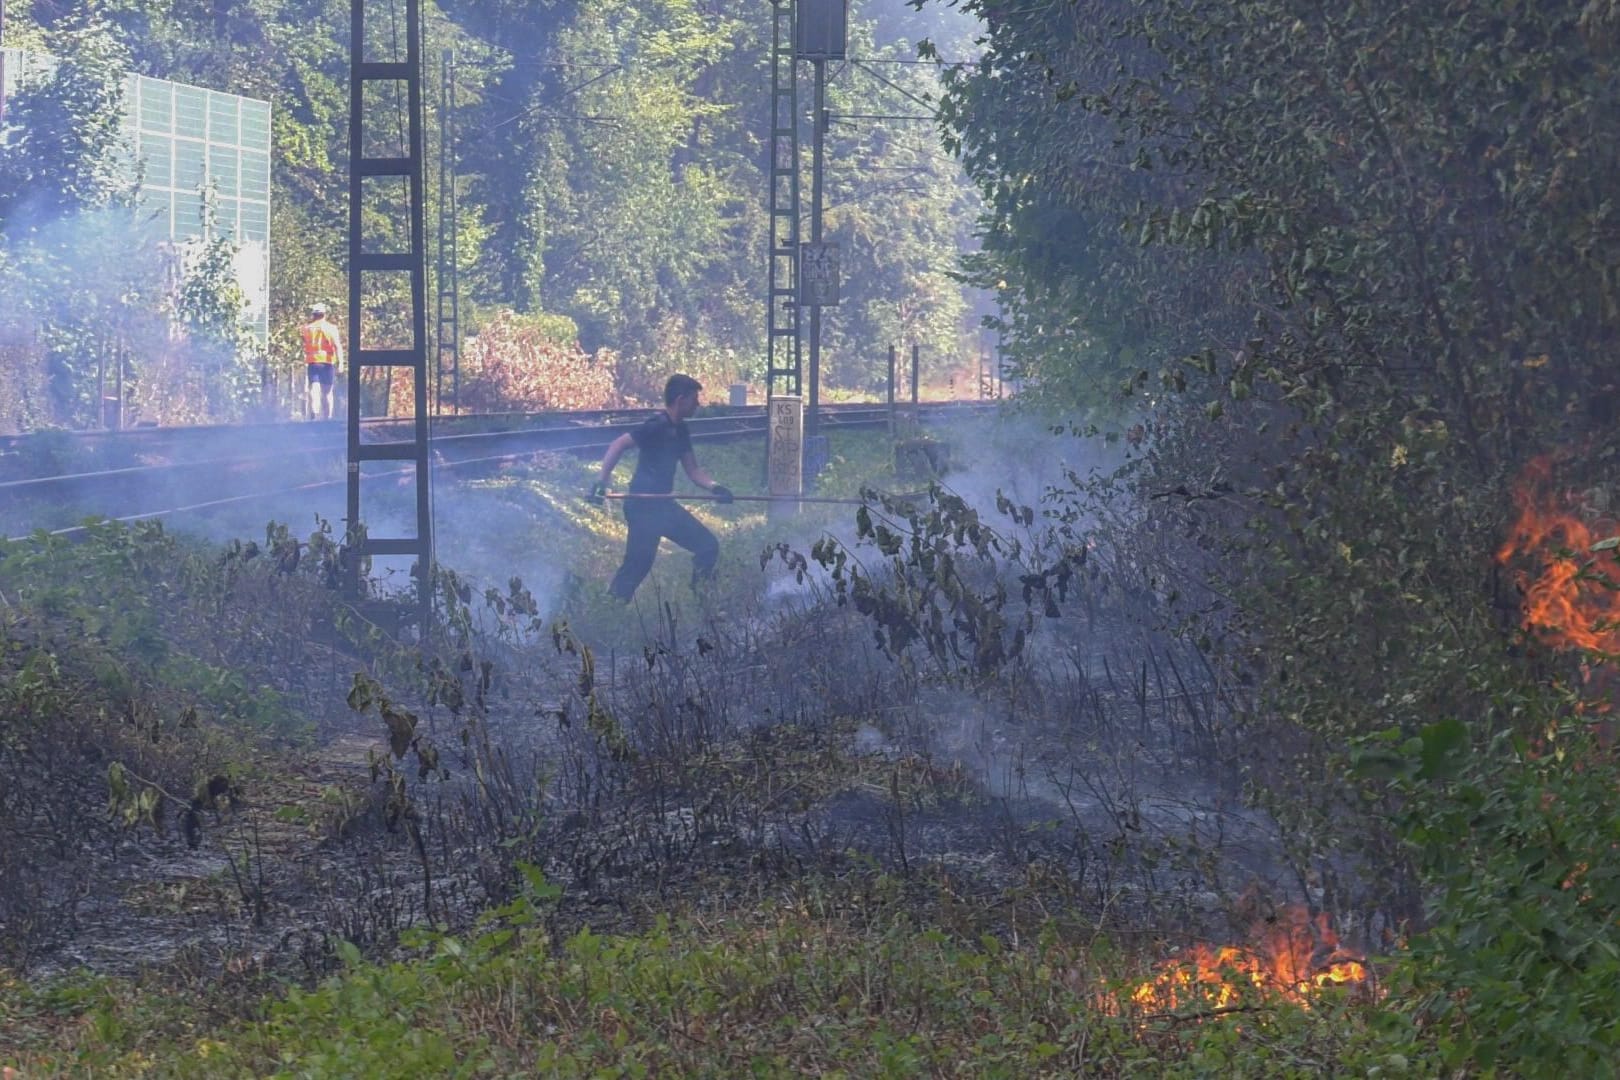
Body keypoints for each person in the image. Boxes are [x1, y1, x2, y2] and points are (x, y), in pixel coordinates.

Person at [590, 374, 734, 601]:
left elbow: (693, 470)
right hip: (642, 505)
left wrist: (716, 488)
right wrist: (601, 481)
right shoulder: (655, 426)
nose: (698, 404)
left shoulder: (681, 430)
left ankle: (702, 600)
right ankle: (610, 606)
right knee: (638, 564)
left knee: (707, 547)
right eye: (694, 399)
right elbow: (618, 444)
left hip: (662, 506)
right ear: (680, 400)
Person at [300, 302, 344, 420]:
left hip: (313, 361)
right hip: (327, 362)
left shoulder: (306, 328)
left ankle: (315, 410)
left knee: (314, 387)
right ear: (324, 314)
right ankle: (327, 417)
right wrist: (341, 363)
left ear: (313, 315)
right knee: (327, 392)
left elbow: (304, 342)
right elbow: (337, 345)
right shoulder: (331, 328)